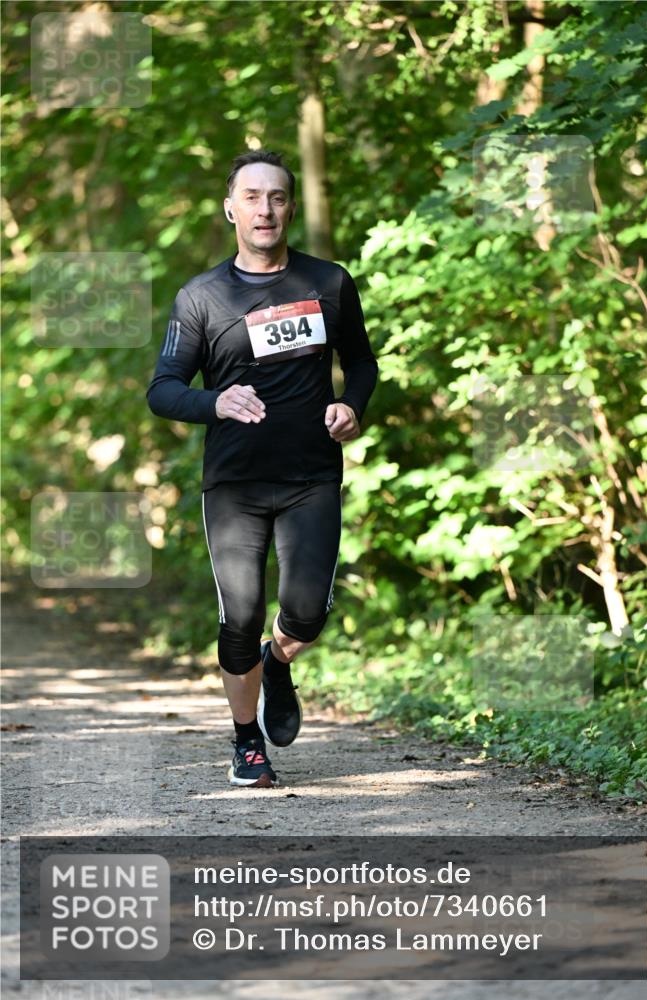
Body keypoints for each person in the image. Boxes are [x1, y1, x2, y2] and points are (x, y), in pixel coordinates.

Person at [146, 149, 378, 788]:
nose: (264, 209)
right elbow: (163, 388)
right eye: (251, 197)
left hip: (310, 477)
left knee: (305, 613)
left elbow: (361, 363)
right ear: (230, 209)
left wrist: (351, 406)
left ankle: (280, 662)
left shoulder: (327, 282)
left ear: (290, 207)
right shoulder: (201, 296)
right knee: (240, 615)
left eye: (276, 196)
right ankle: (247, 741)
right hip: (234, 485)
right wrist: (213, 399)